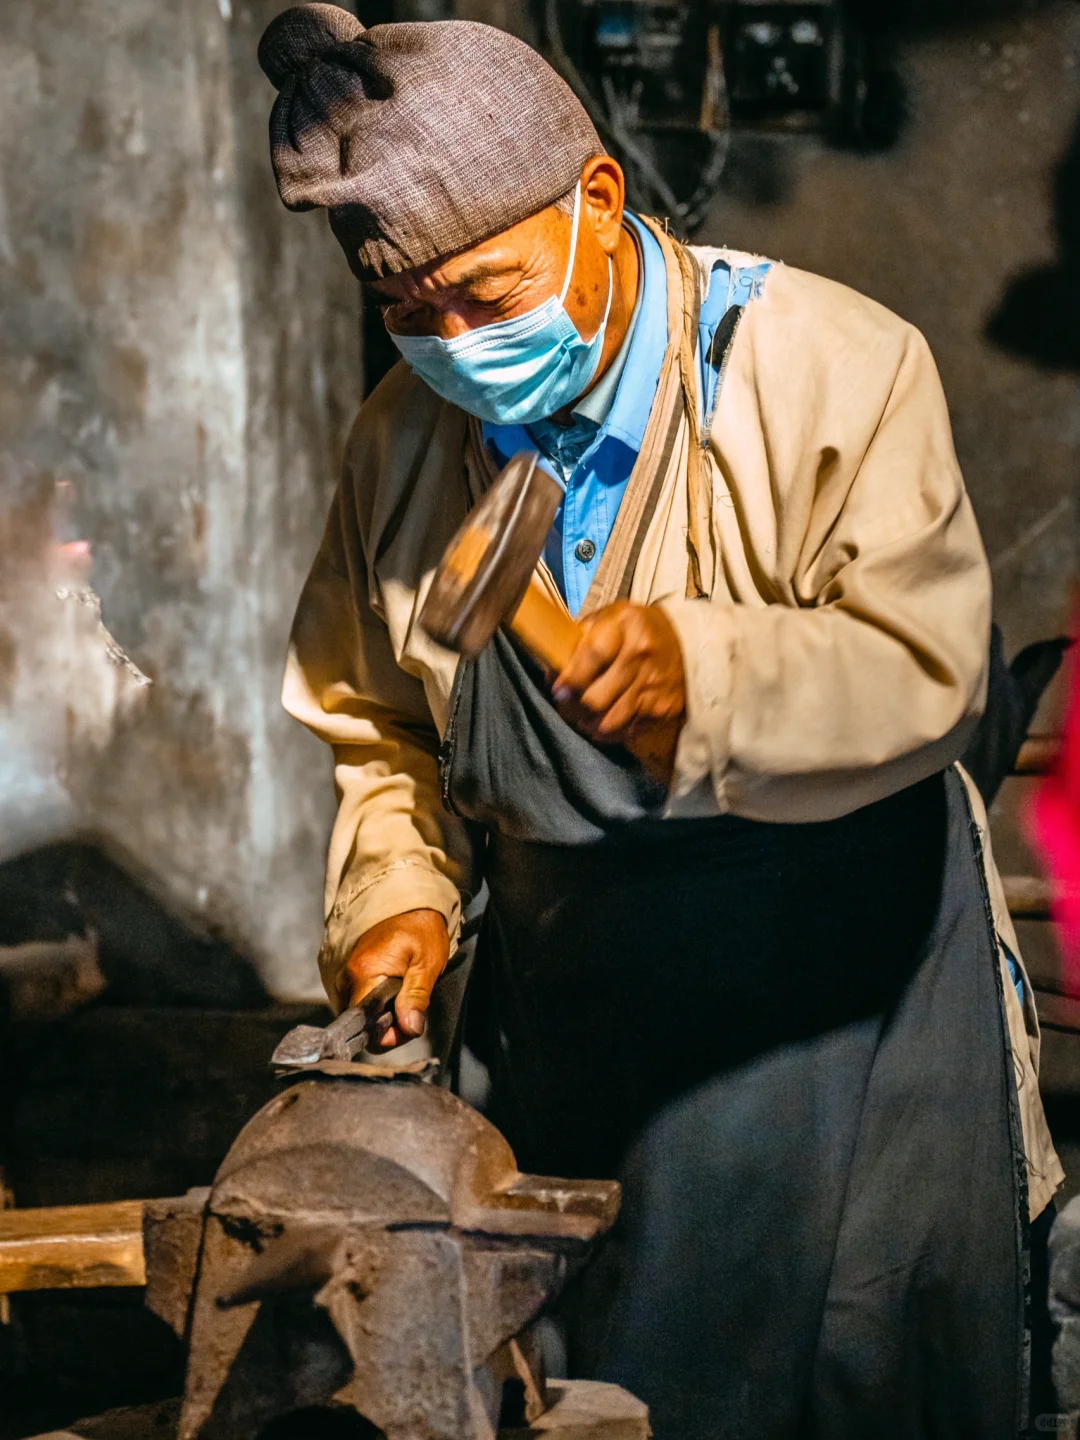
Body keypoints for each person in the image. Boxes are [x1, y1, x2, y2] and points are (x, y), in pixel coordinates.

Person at [259, 5, 1063, 1434]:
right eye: (410, 312)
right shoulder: (402, 438)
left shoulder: (831, 366)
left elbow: (929, 669)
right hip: (575, 1017)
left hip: (835, 1008)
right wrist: (398, 906)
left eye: (489, 293)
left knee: (856, 1375)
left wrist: (717, 675)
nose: (454, 339)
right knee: (587, 1377)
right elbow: (382, 733)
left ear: (600, 204)